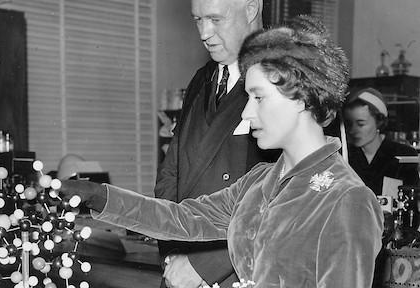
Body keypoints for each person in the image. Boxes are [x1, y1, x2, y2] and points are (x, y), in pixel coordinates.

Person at [60, 16, 384, 288]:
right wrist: (93, 194)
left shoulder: (347, 200)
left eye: (258, 98)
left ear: (302, 97)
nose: (245, 114)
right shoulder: (260, 180)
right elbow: (182, 218)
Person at [154, 0, 271, 286]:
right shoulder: (201, 80)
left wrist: (202, 266)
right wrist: (172, 255)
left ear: (251, 8)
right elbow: (171, 174)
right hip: (181, 265)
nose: (204, 33)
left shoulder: (286, 76)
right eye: (197, 20)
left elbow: (282, 193)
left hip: (240, 269)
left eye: (216, 19)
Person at [343, 87, 419, 196]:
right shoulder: (345, 156)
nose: (352, 130)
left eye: (361, 124)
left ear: (379, 121)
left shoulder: (403, 155)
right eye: (349, 124)